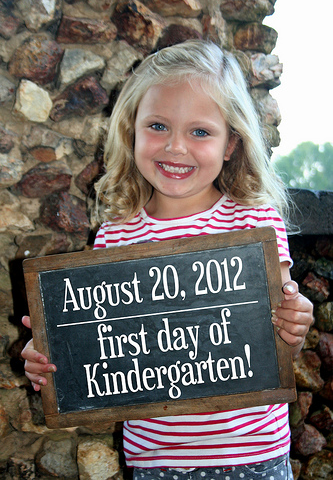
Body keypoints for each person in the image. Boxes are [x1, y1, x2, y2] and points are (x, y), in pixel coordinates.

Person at [22, 40, 313, 479]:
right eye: (158, 125)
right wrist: (52, 359)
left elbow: (281, 347)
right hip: (156, 461)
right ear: (132, 131)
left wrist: (295, 327)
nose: (176, 147)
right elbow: (101, 354)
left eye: (200, 132)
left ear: (231, 143)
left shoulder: (254, 224)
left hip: (252, 455)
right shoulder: (116, 237)